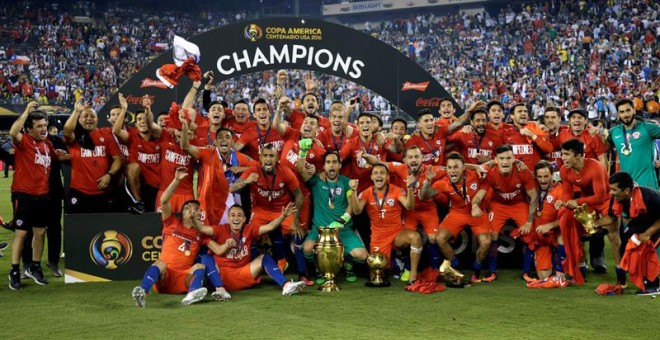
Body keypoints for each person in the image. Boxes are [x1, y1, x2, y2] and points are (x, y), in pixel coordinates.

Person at [132, 168, 230, 307]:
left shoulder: (200, 234)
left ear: (199, 214)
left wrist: (229, 243)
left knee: (199, 266)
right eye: (188, 208)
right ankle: (142, 292)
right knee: (160, 263)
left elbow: (219, 250)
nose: (192, 210)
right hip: (164, 277)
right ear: (182, 212)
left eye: (196, 209)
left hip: (183, 279)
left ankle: (191, 294)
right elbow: (164, 201)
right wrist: (177, 180)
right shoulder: (171, 222)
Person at [229, 144, 306, 281]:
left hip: (283, 210)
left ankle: (302, 274)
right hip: (261, 210)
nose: (268, 159)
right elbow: (231, 188)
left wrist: (295, 222)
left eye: (271, 156)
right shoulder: (253, 170)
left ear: (277, 158)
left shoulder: (286, 171)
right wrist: (246, 181)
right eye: (265, 156)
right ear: (260, 157)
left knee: (297, 234)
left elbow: (299, 196)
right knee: (249, 233)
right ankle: (249, 272)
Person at [8, 102, 58, 289]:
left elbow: (57, 156)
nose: (43, 129)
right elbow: (13, 132)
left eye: (45, 125)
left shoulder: (47, 145)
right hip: (23, 194)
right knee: (21, 233)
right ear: (29, 129)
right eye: (39, 126)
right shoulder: (24, 141)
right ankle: (15, 270)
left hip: (42, 195)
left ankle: (35, 267)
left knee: (40, 232)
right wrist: (26, 111)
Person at [297, 150, 368, 283]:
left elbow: (352, 204)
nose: (331, 165)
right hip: (320, 230)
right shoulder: (317, 180)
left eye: (334, 162)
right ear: (323, 166)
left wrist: (343, 219)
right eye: (328, 162)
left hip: (342, 230)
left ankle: (347, 262)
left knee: (362, 256)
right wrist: (303, 153)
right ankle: (320, 266)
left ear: (340, 165)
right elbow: (300, 170)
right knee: (307, 249)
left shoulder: (347, 182)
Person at [470, 144, 538, 282]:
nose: (505, 162)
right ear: (496, 160)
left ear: (514, 158)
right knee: (491, 235)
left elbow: (534, 196)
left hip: (519, 204)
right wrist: (474, 204)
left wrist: (530, 221)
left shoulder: (522, 171)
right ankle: (492, 272)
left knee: (529, 233)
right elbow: (479, 194)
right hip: (498, 205)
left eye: (508, 158)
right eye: (502, 158)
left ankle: (527, 272)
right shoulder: (491, 173)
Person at [420, 152, 491, 283]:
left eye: (456, 167)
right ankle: (456, 267)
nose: (452, 171)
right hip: (457, 212)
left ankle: (476, 269)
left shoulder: (475, 174)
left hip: (477, 212)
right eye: (450, 167)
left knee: (486, 242)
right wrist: (427, 182)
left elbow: (493, 164)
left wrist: (477, 166)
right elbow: (423, 196)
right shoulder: (443, 183)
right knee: (439, 238)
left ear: (464, 167)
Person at [555, 139, 618, 286]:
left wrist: (576, 202)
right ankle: (579, 269)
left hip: (605, 200)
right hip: (587, 201)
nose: (563, 158)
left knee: (613, 234)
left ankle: (620, 270)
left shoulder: (595, 167)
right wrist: (562, 202)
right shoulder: (565, 170)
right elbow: (567, 194)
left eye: (566, 154)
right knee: (572, 225)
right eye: (562, 154)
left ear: (578, 156)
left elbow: (601, 197)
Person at [207, 203, 306, 295]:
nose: (236, 218)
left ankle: (286, 285)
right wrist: (193, 220)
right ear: (228, 218)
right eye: (232, 215)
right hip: (223, 277)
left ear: (244, 219)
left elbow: (270, 227)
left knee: (264, 258)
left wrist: (283, 216)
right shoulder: (220, 229)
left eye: (239, 215)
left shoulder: (249, 228)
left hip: (244, 274)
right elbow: (203, 229)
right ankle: (220, 289)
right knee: (207, 258)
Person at [349, 164, 422, 286]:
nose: (379, 175)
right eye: (376, 173)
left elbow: (409, 206)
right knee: (376, 277)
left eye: (382, 173)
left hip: (397, 233)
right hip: (378, 236)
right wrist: (353, 191)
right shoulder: (366, 193)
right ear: (371, 177)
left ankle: (413, 275)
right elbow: (357, 211)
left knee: (415, 237)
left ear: (388, 176)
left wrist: (409, 188)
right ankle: (394, 263)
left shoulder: (397, 190)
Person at [601, 172, 660, 295]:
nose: (610, 193)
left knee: (644, 251)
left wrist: (648, 234)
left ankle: (654, 285)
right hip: (639, 225)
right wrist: (594, 224)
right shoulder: (617, 198)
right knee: (623, 249)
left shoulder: (649, 196)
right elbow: (611, 218)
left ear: (626, 190)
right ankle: (622, 281)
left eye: (614, 190)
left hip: (656, 227)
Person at [63, 99, 123, 213]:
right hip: (79, 191)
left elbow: (118, 159)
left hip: (102, 191)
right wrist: (76, 111)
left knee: (101, 228)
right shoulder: (75, 137)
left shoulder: (106, 135)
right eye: (85, 116)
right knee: (79, 226)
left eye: (92, 116)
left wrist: (109, 175)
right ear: (79, 120)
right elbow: (66, 131)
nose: (89, 119)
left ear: (97, 119)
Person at [519, 160, 567, 288]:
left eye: (546, 176)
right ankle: (552, 258)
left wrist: (550, 225)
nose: (543, 180)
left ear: (552, 175)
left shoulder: (561, 190)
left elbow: (567, 218)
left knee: (563, 238)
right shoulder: (532, 188)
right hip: (542, 237)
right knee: (544, 277)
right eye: (539, 176)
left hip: (556, 232)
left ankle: (562, 269)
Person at [112, 94, 163, 213]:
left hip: (158, 185)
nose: (142, 121)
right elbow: (116, 130)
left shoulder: (159, 136)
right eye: (139, 119)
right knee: (132, 167)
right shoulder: (132, 136)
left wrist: (148, 109)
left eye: (145, 119)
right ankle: (138, 202)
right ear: (135, 124)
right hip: (139, 182)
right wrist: (124, 109)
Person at [606, 99, 660, 190]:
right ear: (618, 114)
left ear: (634, 110)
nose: (625, 115)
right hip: (626, 185)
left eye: (628, 110)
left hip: (647, 183)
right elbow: (605, 147)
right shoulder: (613, 132)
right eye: (622, 112)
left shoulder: (647, 128)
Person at [405, 107, 471, 166]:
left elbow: (457, 123)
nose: (430, 123)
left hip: (440, 175)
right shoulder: (412, 141)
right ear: (419, 125)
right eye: (426, 121)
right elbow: (407, 162)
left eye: (431, 120)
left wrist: (469, 111)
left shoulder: (440, 131)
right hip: (423, 176)